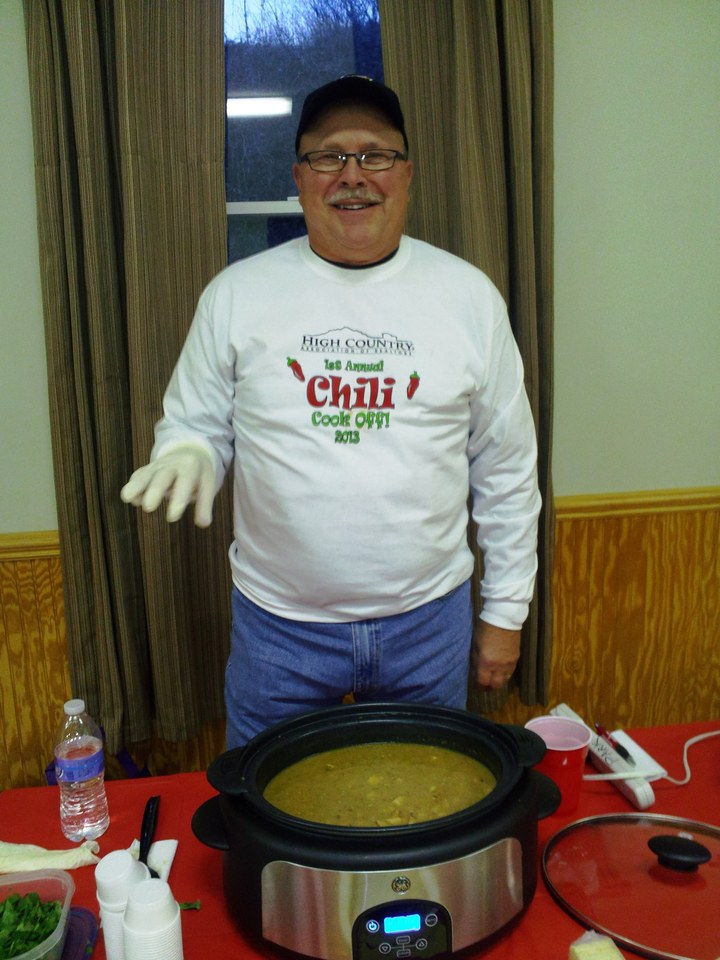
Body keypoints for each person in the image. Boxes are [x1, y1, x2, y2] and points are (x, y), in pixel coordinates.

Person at [121, 75, 541, 748]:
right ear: (299, 176)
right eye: (328, 157)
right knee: (267, 816)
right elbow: (194, 423)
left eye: (375, 154)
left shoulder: (469, 298)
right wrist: (193, 448)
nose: (353, 175)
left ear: (407, 174)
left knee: (419, 812)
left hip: (428, 624)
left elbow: (508, 470)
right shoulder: (237, 295)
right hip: (278, 629)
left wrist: (506, 614)